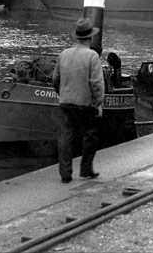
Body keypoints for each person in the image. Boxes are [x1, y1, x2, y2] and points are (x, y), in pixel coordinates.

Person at [52, 17, 104, 184]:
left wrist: (62, 94)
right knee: (90, 135)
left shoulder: (64, 54)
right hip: (85, 105)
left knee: (65, 138)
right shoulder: (92, 56)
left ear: (76, 37)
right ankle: (86, 169)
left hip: (65, 103)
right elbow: (96, 83)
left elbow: (55, 79)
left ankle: (65, 174)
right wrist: (98, 103)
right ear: (90, 37)